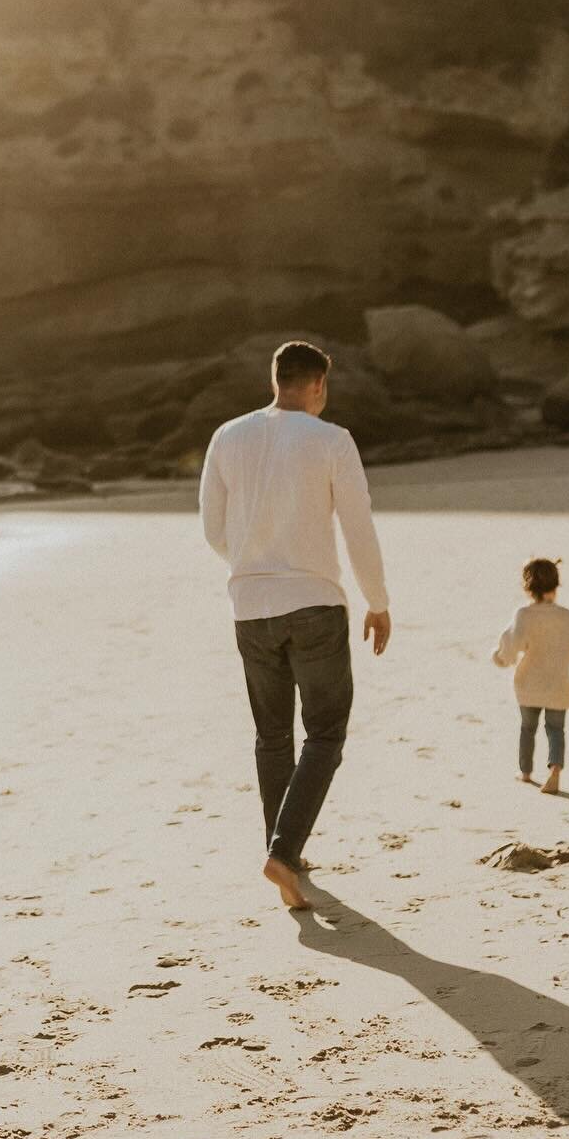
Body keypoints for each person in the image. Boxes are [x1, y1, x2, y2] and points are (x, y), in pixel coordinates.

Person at [199, 340, 391, 911]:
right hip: (314, 602)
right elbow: (358, 527)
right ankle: (284, 853)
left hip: (249, 605)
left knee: (273, 735)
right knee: (326, 732)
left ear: (274, 379)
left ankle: (283, 853)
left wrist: (251, 566)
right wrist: (376, 600)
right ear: (318, 386)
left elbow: (212, 527)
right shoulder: (332, 440)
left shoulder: (227, 436)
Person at [492, 557, 569, 795]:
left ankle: (525, 772)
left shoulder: (524, 615)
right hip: (558, 683)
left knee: (528, 727)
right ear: (555, 587)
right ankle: (555, 770)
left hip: (529, 684)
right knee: (556, 729)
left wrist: (502, 658)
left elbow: (511, 642)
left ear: (528, 588)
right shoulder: (567, 616)